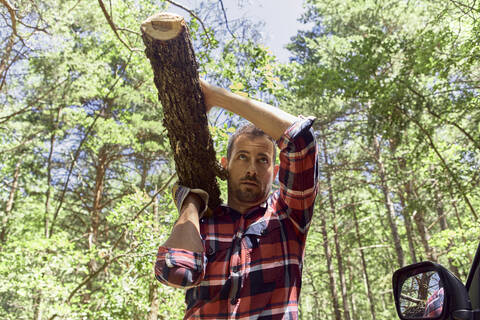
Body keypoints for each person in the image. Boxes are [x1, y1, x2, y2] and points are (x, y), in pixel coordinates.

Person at [154, 79, 319, 319]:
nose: (252, 168)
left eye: (262, 159)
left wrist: (218, 97)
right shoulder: (205, 222)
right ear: (225, 166)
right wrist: (191, 203)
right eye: (242, 157)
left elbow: (301, 141)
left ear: (274, 172)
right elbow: (176, 273)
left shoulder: (289, 216)